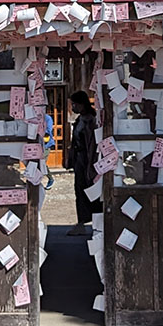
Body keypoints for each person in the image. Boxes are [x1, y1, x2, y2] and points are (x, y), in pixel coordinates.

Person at [65, 90, 98, 236]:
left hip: (88, 158)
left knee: (91, 189)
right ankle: (82, 222)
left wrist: (91, 164)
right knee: (79, 189)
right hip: (79, 158)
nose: (73, 107)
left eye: (74, 104)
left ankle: (97, 222)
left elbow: (92, 144)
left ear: (82, 104)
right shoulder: (80, 120)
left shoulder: (90, 120)